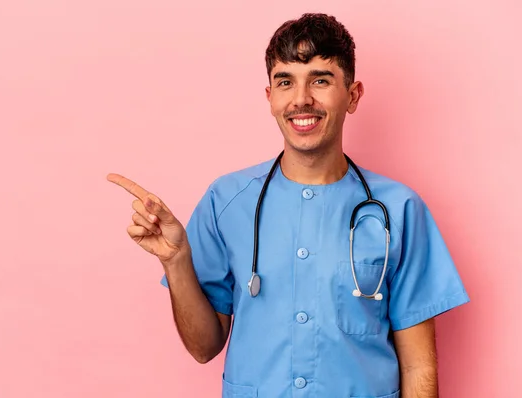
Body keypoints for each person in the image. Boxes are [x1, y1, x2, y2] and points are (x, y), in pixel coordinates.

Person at [107, 12, 469, 398]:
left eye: (321, 80)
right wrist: (176, 261)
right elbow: (203, 347)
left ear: (353, 95)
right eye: (285, 82)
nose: (301, 100)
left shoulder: (398, 210)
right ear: (270, 98)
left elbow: (418, 366)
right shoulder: (226, 201)